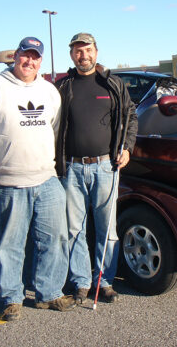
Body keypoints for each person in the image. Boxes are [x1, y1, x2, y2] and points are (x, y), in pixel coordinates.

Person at [0, 36, 76, 321]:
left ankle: (48, 293)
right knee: (11, 243)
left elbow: (53, 129)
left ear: (41, 60)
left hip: (47, 179)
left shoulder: (50, 91)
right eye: (25, 55)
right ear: (15, 56)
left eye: (35, 56)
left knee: (54, 239)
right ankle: (11, 297)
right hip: (10, 181)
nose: (29, 61)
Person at [55, 33, 138, 305]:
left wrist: (126, 147)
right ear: (72, 55)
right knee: (74, 230)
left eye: (87, 50)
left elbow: (131, 116)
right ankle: (81, 282)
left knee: (107, 230)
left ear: (96, 52)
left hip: (105, 167)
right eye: (78, 51)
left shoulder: (112, 84)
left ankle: (105, 281)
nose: (83, 55)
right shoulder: (62, 87)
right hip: (72, 169)